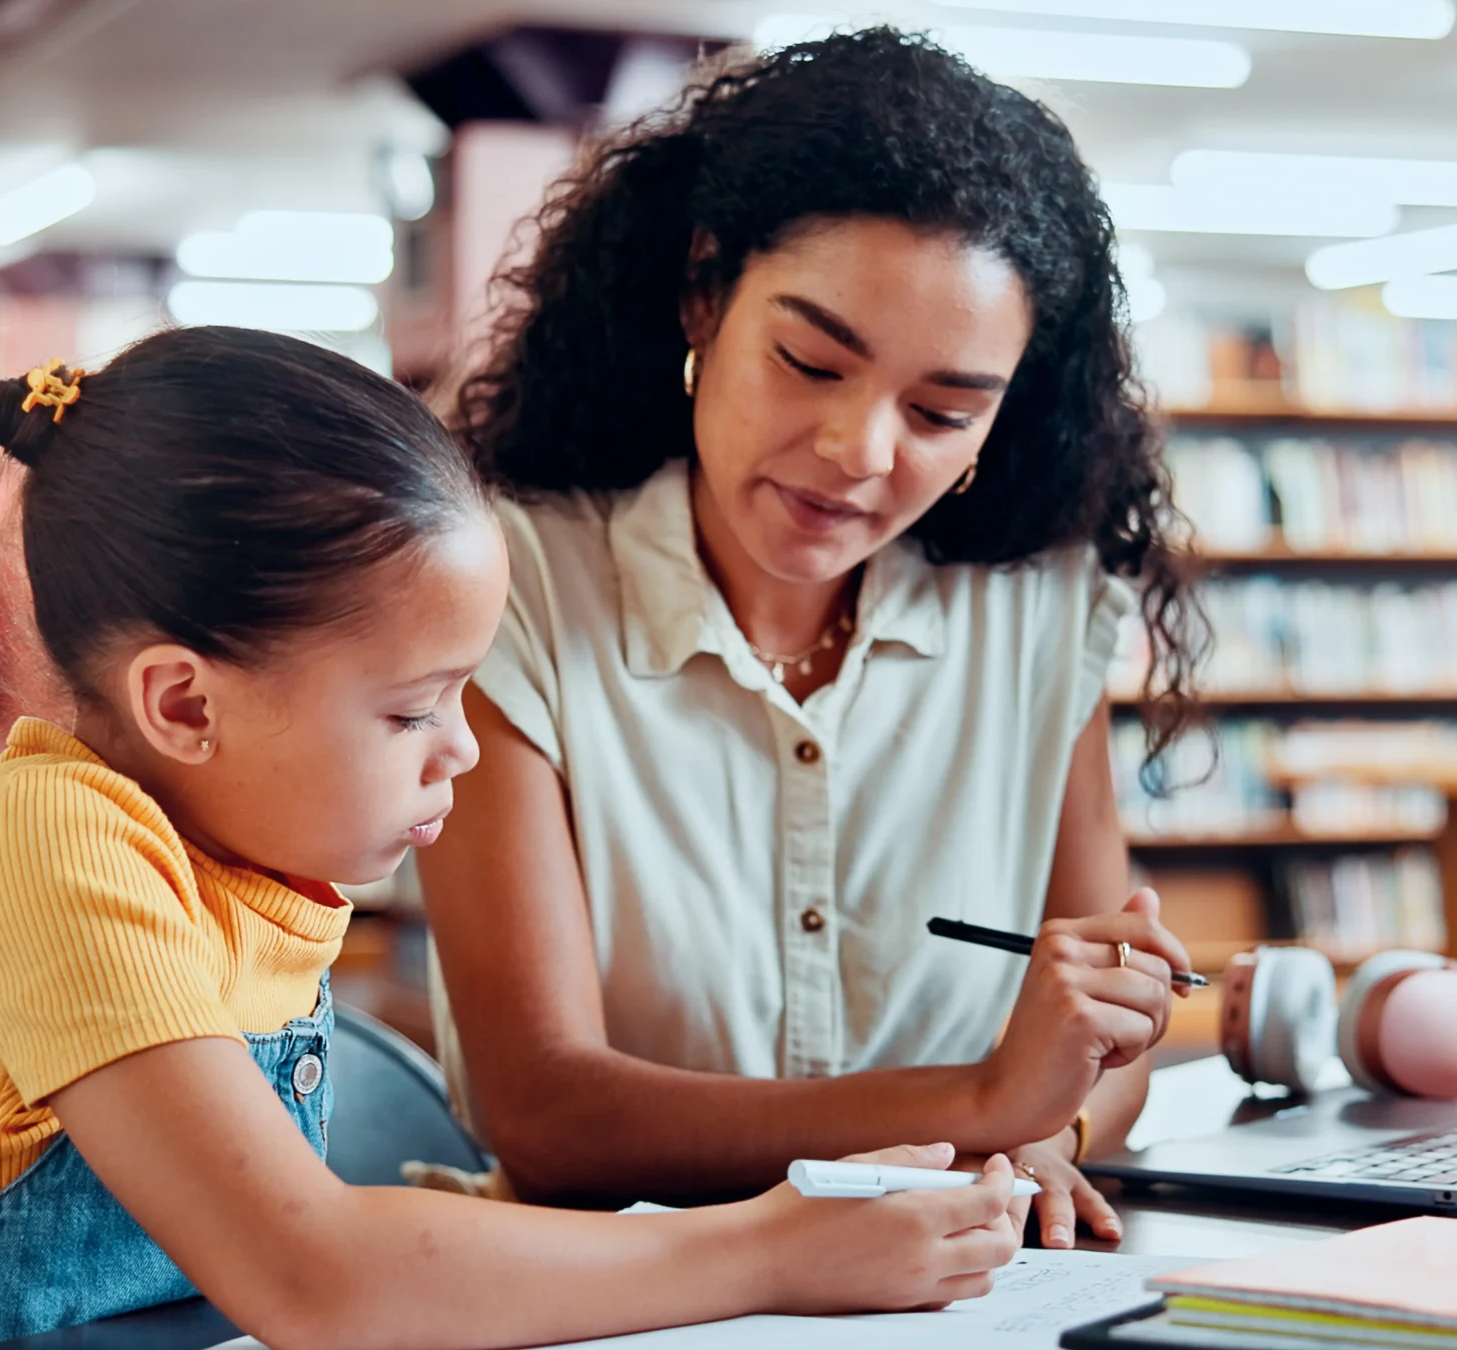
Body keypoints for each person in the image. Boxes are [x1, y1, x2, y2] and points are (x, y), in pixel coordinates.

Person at [0, 327, 1023, 1350]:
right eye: (411, 708)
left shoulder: (237, 847)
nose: (463, 750)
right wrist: (772, 1250)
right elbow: (310, 1273)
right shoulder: (48, 843)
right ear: (184, 704)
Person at [417, 28, 1203, 1252]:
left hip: (952, 1283)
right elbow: (545, 1109)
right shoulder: (508, 586)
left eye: (942, 411)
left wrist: (1056, 1130)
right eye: (808, 361)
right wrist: (989, 1105)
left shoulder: (1036, 611)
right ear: (702, 294)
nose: (861, 453)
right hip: (611, 1295)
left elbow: (1102, 1038)